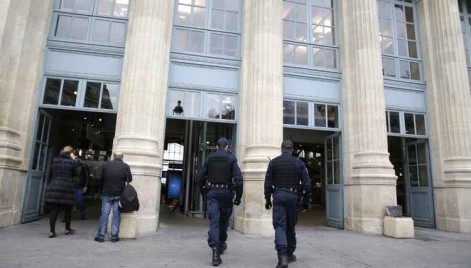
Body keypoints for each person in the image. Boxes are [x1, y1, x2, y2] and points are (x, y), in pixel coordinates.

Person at [264, 140, 311, 268]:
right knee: (290, 225)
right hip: (293, 197)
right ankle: (290, 253)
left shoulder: (274, 162)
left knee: (280, 226)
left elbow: (267, 183)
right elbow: (307, 184)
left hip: (278, 195)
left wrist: (267, 199)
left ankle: (282, 256)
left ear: (281, 149)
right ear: (292, 150)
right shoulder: (299, 163)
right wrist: (306, 202)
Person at [197, 138, 243, 266]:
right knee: (223, 222)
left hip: (212, 194)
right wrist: (238, 197)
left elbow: (199, 178)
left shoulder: (209, 158)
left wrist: (203, 193)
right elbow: (239, 181)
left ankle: (216, 252)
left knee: (214, 223)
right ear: (227, 147)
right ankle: (221, 244)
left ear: (217, 146)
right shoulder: (231, 158)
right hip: (226, 194)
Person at [94, 151, 132, 243]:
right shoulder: (125, 166)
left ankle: (100, 236)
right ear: (122, 157)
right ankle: (114, 237)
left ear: (113, 156)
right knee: (116, 215)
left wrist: (103, 185)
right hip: (119, 194)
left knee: (104, 215)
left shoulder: (105, 165)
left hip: (106, 193)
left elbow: (98, 177)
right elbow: (129, 179)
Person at [44, 145, 79, 238]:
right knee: (68, 209)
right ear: (71, 153)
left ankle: (51, 231)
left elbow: (52, 171)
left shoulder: (55, 160)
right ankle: (67, 229)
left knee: (54, 210)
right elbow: (75, 174)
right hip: (67, 187)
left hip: (55, 185)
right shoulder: (72, 162)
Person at [73, 152, 90, 220]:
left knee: (80, 200)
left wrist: (86, 186)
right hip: (70, 184)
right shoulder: (69, 162)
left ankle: (82, 213)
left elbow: (87, 175)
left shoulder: (83, 164)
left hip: (79, 185)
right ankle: (66, 217)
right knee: (68, 201)